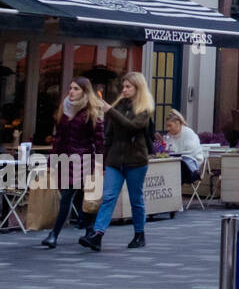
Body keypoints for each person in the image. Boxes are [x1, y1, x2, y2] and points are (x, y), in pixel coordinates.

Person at [80, 73, 155, 252]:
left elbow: (132, 127)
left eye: (128, 87)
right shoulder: (118, 106)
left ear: (138, 88)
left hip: (136, 160)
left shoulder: (144, 109)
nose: (124, 90)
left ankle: (139, 234)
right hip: (115, 160)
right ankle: (97, 234)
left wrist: (109, 111)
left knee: (136, 199)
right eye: (124, 86)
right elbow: (109, 135)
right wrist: (104, 160)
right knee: (109, 197)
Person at [40, 76, 105, 249]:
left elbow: (99, 141)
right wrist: (52, 160)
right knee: (67, 197)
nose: (71, 92)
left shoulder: (91, 111)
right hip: (66, 159)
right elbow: (58, 138)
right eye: (70, 88)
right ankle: (54, 234)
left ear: (84, 91)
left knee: (88, 197)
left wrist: (99, 164)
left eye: (76, 89)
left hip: (84, 160)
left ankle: (89, 231)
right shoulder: (65, 109)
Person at [163, 109, 204, 184]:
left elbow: (191, 152)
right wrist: (162, 144)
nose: (167, 129)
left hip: (192, 166)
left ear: (177, 123)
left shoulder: (188, 133)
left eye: (169, 125)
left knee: (178, 165)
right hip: (176, 165)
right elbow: (168, 152)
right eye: (167, 126)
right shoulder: (169, 136)